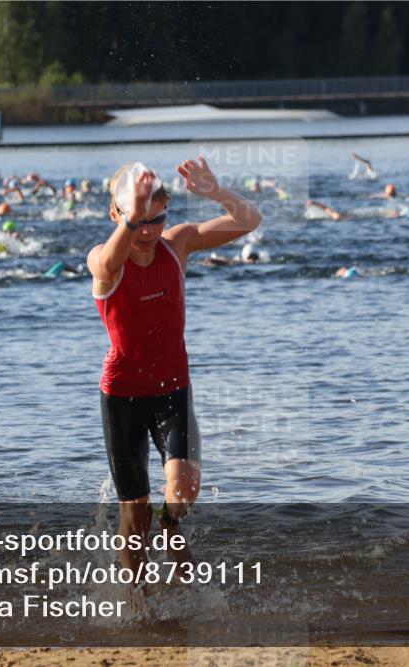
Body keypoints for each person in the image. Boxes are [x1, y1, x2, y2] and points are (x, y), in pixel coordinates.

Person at [88, 158, 261, 591]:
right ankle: (137, 599)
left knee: (183, 484)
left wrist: (216, 192)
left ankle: (172, 525)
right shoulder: (103, 259)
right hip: (122, 396)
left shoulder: (176, 244)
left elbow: (250, 220)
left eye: (156, 219)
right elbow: (108, 266)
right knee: (134, 509)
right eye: (138, 221)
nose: (147, 231)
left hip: (171, 389)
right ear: (118, 215)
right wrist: (131, 217)